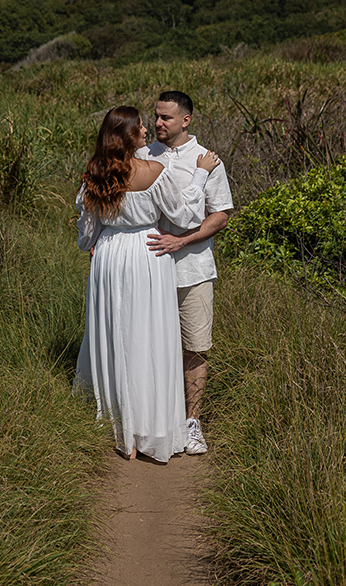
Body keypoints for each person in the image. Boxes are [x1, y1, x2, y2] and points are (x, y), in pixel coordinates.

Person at [74, 106, 220, 463]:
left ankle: (118, 424)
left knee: (114, 335)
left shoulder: (95, 175)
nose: (146, 130)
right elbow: (184, 215)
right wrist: (200, 175)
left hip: (109, 256)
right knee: (147, 337)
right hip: (147, 253)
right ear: (128, 136)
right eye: (140, 126)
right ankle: (148, 425)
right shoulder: (154, 171)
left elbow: (86, 236)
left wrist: (103, 239)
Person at [143, 90, 234, 455]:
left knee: (195, 346)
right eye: (156, 116)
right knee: (149, 344)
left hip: (193, 269)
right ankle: (154, 420)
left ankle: (192, 422)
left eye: (165, 117)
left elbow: (221, 214)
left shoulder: (206, 159)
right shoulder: (144, 155)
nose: (157, 123)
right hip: (149, 267)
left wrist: (182, 241)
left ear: (185, 120)